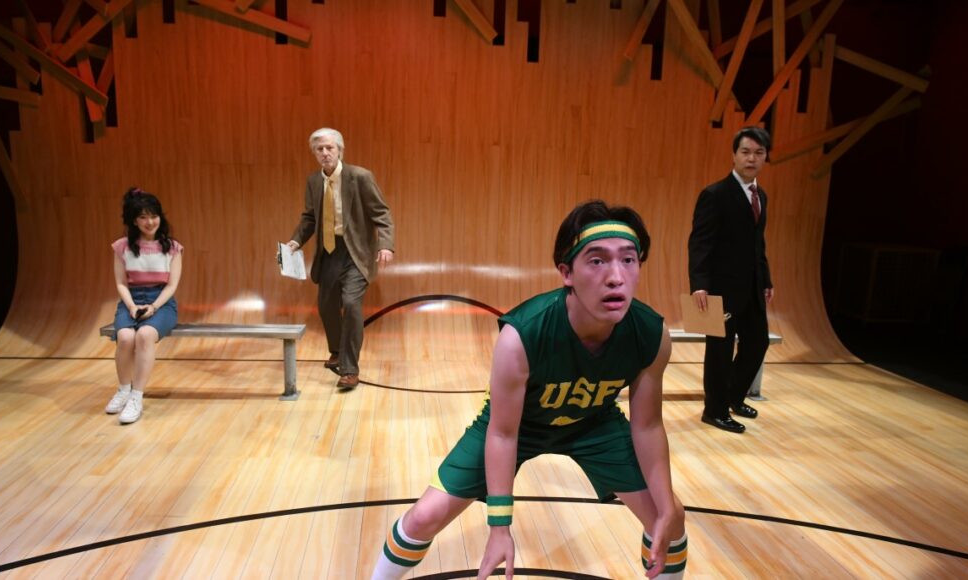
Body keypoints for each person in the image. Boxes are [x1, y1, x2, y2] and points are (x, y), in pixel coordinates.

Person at [371, 201, 687, 580]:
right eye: (597, 261)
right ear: (566, 273)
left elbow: (648, 426)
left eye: (629, 260)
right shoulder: (521, 335)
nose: (616, 276)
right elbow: (503, 432)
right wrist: (499, 527)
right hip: (519, 426)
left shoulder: (652, 334)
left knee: (670, 521)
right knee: (424, 517)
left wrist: (668, 505)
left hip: (594, 422)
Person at [286, 128, 395, 390]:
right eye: (319, 149)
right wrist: (295, 240)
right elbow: (310, 217)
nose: (325, 153)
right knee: (326, 306)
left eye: (329, 148)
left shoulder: (360, 177)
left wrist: (386, 245)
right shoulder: (314, 182)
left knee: (351, 305)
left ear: (340, 150)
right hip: (328, 253)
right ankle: (336, 349)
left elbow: (382, 213)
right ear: (314, 153)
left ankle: (349, 370)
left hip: (355, 253)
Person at [688, 127, 774, 434]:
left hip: (751, 287)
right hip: (718, 289)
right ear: (734, 155)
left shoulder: (760, 195)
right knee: (719, 351)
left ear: (766, 157)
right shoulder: (715, 194)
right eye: (746, 152)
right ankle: (714, 411)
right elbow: (700, 242)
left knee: (758, 342)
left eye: (759, 153)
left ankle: (734, 398)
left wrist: (766, 280)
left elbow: (757, 244)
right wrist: (699, 284)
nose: (752, 158)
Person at [106, 188, 183, 424]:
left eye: (154, 215)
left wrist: (153, 307)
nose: (150, 222)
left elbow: (171, 287)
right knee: (126, 337)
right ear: (134, 221)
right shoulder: (122, 247)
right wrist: (130, 306)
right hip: (131, 299)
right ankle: (123, 389)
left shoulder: (172, 247)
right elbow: (120, 283)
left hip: (162, 302)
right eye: (143, 217)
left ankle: (136, 397)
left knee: (145, 335)